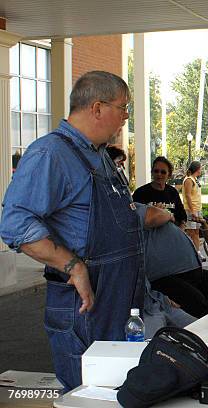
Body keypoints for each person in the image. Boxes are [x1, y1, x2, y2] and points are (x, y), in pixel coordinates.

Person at [0, 71, 143, 392]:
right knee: (88, 395)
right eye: (123, 108)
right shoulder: (50, 154)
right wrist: (72, 265)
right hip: (84, 310)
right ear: (97, 108)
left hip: (118, 305)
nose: (124, 118)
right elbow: (15, 224)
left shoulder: (100, 156)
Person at [134, 203, 208, 319]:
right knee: (199, 305)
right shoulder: (129, 210)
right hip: (165, 276)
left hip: (191, 272)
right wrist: (167, 214)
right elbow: (155, 216)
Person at [133, 156, 187, 229]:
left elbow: (182, 217)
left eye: (163, 172)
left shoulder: (173, 192)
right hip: (149, 237)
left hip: (170, 236)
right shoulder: (140, 193)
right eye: (156, 171)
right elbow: (134, 219)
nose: (159, 174)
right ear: (152, 172)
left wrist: (180, 233)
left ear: (169, 175)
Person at [182, 160, 203, 250]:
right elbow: (187, 195)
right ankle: (193, 254)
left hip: (197, 209)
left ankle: (197, 253)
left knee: (196, 233)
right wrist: (192, 211)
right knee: (191, 233)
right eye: (200, 168)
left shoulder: (195, 179)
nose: (201, 170)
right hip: (191, 210)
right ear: (197, 169)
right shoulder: (189, 180)